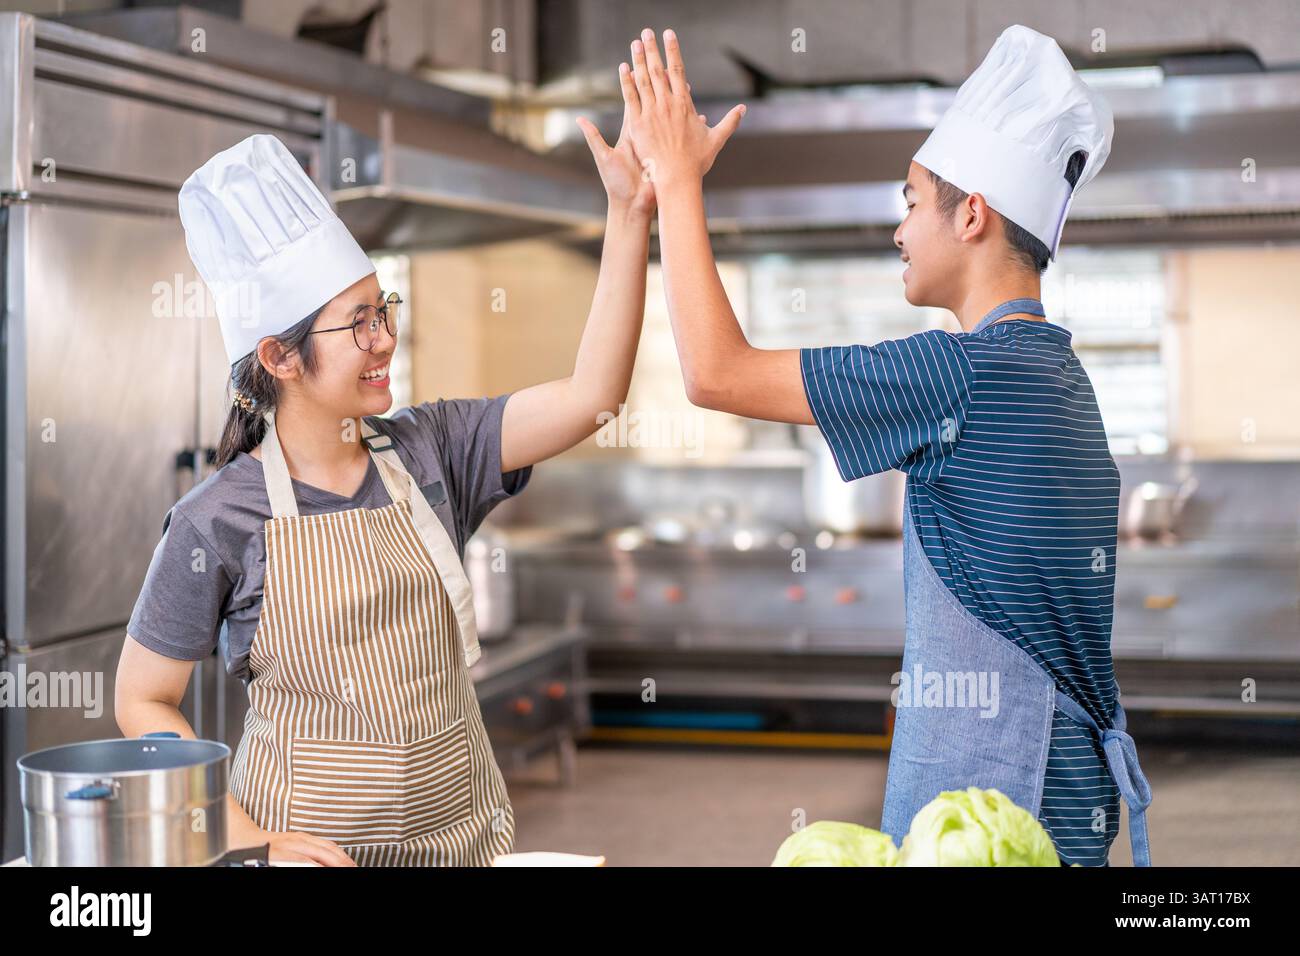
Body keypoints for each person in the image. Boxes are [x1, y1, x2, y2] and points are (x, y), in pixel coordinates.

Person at [620, 24, 1151, 866]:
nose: (899, 228)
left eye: (911, 200)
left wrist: (678, 183)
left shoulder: (957, 375)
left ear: (971, 213)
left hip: (988, 807)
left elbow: (715, 373)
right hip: (1065, 800)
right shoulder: (1061, 377)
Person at [115, 121, 655, 866]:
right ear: (280, 356)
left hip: (457, 847)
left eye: (384, 308)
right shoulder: (215, 521)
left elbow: (595, 395)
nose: (385, 339)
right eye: (357, 322)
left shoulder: (434, 448)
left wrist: (629, 217)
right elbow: (141, 700)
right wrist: (249, 837)